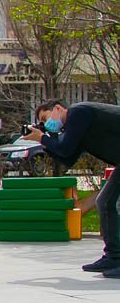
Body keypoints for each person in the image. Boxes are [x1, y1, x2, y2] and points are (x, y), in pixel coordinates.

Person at [26, 99, 120, 277]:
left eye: (46, 118)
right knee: (105, 202)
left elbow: (65, 148)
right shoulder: (77, 125)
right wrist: (46, 140)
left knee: (107, 202)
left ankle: (115, 257)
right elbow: (67, 157)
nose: (47, 123)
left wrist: (43, 137)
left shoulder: (78, 112)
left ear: (58, 108)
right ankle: (114, 257)